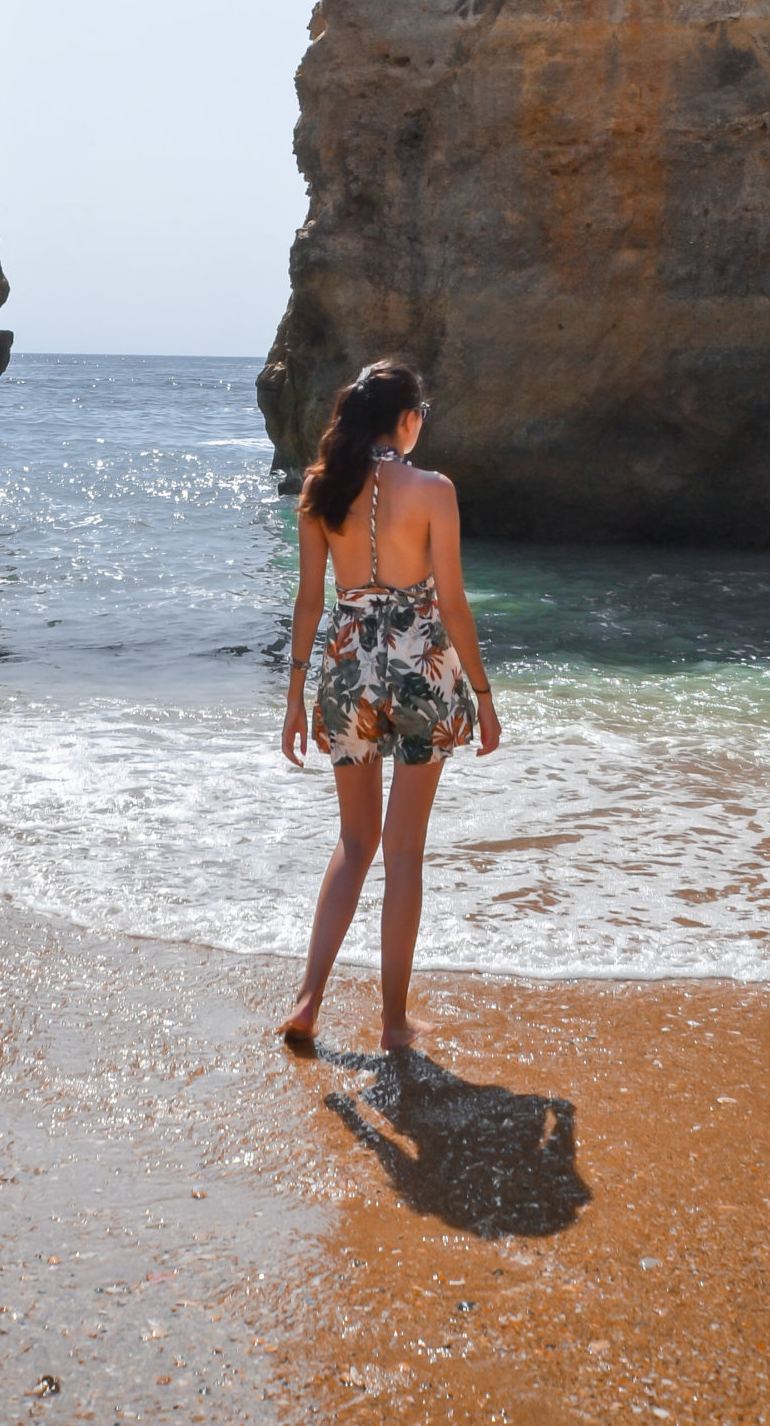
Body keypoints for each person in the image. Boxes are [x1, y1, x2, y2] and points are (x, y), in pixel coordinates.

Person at [277, 361, 500, 1051]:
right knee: (402, 852)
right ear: (405, 420)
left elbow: (309, 603)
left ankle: (308, 1000)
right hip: (419, 668)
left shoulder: (320, 489)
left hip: (345, 670)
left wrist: (292, 701)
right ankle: (393, 1021)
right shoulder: (433, 489)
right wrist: (484, 698)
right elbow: (454, 605)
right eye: (420, 415)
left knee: (353, 842)